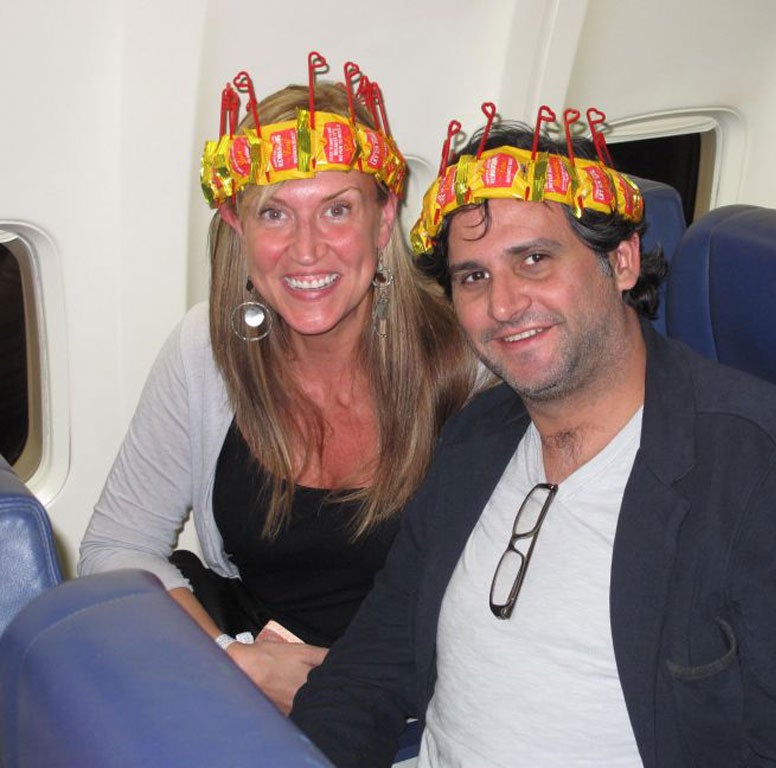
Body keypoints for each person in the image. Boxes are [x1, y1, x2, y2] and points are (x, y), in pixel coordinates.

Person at [289, 106, 776, 766]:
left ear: (622, 261)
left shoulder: (768, 467)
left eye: (536, 260)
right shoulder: (476, 438)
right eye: (474, 276)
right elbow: (375, 663)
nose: (504, 304)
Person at [78, 55, 477, 714]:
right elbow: (114, 545)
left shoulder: (467, 362)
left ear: (383, 223)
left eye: (336, 210)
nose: (306, 249)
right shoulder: (206, 352)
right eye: (275, 214)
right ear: (239, 228)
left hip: (413, 702)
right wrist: (233, 662)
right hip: (245, 670)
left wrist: (357, 696)